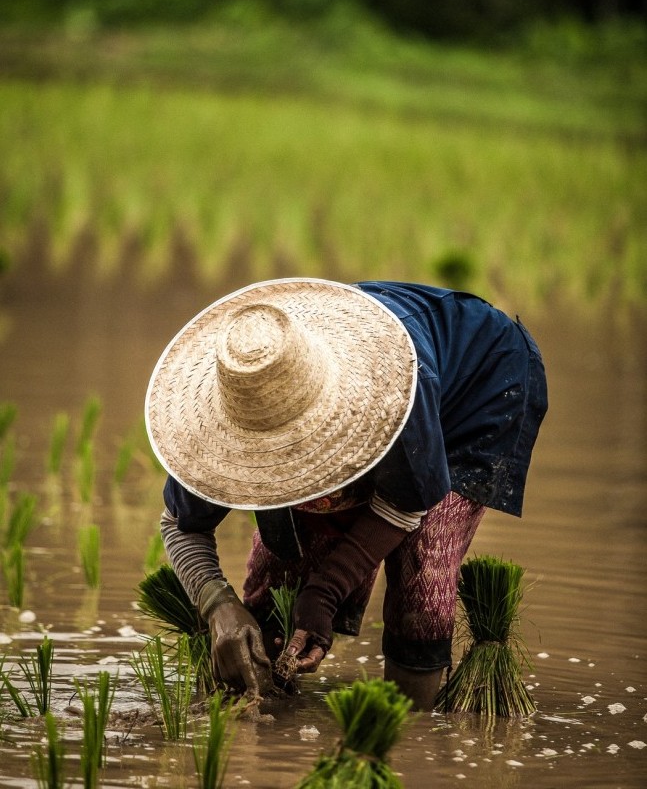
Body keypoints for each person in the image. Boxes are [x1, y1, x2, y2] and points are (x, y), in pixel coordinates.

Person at [145, 278, 548, 709]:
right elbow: (179, 524)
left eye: (294, 446)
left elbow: (408, 502)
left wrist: (327, 591)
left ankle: (406, 729)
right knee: (281, 569)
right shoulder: (222, 416)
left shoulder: (393, 394)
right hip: (360, 381)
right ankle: (269, 702)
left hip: (479, 384)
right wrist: (218, 606)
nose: (281, 460)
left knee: (423, 571)